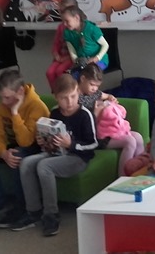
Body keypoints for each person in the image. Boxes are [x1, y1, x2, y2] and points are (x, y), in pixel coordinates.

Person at [13, 74, 98, 236]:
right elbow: (51, 139)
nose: (69, 102)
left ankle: (51, 214)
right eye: (64, 98)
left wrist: (71, 144)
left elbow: (93, 144)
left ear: (78, 93)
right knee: (26, 163)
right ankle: (33, 211)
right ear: (56, 97)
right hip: (56, 153)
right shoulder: (54, 112)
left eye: (73, 96)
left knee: (44, 166)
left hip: (78, 157)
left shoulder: (85, 114)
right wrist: (43, 141)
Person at [0, 70, 50, 227]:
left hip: (35, 146)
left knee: (18, 156)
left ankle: (22, 207)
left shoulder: (37, 106)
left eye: (7, 97)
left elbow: (26, 141)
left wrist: (15, 113)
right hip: (14, 146)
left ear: (20, 91)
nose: (3, 102)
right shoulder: (2, 106)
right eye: (1, 97)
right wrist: (3, 153)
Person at [93, 83, 145, 177]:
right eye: (92, 84)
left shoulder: (95, 93)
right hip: (100, 138)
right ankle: (123, 177)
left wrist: (110, 99)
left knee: (138, 137)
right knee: (130, 141)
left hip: (113, 132)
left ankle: (140, 171)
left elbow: (107, 96)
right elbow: (86, 124)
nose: (94, 88)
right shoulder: (81, 101)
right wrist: (96, 115)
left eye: (97, 86)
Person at [61, 5, 110, 77]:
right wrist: (76, 61)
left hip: (101, 61)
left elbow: (105, 45)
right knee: (74, 76)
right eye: (63, 21)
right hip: (83, 62)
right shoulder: (67, 33)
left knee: (91, 74)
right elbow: (72, 50)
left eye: (67, 21)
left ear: (76, 18)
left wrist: (97, 58)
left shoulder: (91, 29)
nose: (64, 24)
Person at [45, 0, 79, 92]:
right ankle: (56, 93)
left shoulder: (77, 28)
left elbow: (78, 49)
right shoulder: (61, 27)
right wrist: (56, 54)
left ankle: (65, 91)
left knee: (60, 71)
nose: (62, 14)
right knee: (49, 72)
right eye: (61, 11)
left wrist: (67, 58)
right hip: (60, 57)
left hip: (71, 58)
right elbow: (56, 42)